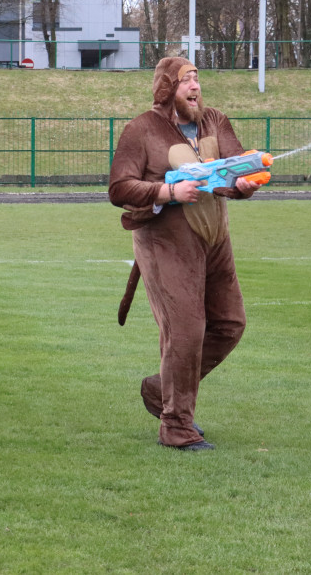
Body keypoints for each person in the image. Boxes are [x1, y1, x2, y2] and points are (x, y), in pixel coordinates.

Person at [108, 57, 261, 452]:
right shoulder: (141, 129)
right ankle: (176, 426)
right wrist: (167, 192)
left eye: (197, 79)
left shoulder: (215, 121)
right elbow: (119, 188)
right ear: (166, 88)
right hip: (164, 243)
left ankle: (162, 390)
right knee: (186, 333)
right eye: (186, 81)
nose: (195, 87)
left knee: (229, 324)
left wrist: (245, 183)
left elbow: (233, 168)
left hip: (214, 240)